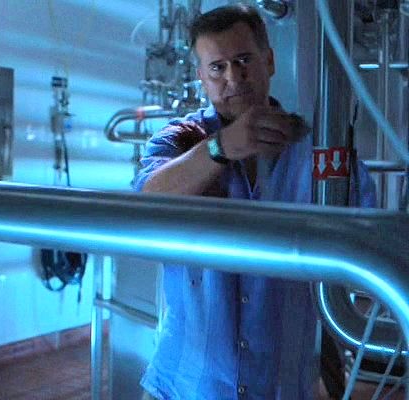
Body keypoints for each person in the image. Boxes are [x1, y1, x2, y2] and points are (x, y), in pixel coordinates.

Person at [133, 5, 376, 399]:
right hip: (185, 387)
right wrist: (221, 147)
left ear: (270, 61)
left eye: (244, 60)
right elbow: (145, 204)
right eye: (218, 67)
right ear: (202, 77)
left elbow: (368, 253)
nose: (233, 77)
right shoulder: (180, 140)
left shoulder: (321, 154)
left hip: (285, 387)